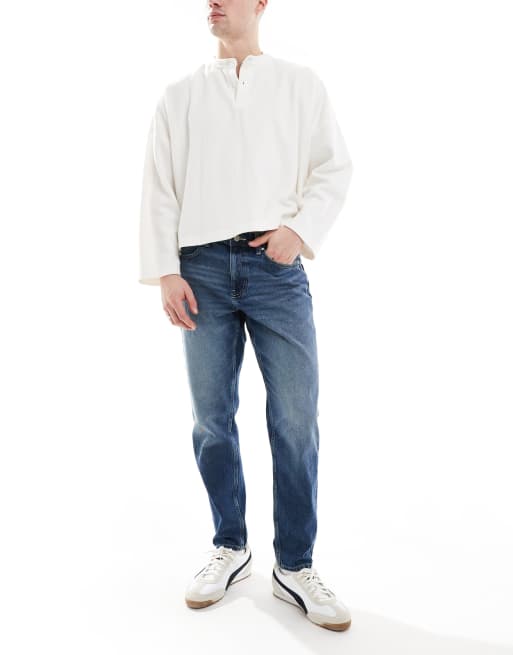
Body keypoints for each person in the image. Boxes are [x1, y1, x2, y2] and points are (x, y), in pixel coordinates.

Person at [138, 0, 353, 632]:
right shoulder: (179, 95)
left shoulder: (299, 83)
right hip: (199, 270)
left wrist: (300, 230)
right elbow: (159, 185)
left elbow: (334, 167)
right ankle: (230, 546)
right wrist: (165, 269)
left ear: (261, 3)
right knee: (211, 418)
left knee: (296, 417)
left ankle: (295, 564)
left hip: (275, 269)